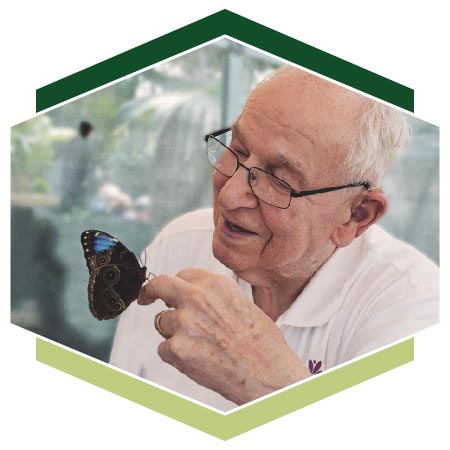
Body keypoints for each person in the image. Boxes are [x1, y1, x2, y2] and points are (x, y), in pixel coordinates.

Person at [110, 66, 439, 411]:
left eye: (279, 180)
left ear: (356, 215)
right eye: (237, 149)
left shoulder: (417, 312)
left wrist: (268, 385)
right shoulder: (177, 245)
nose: (229, 196)